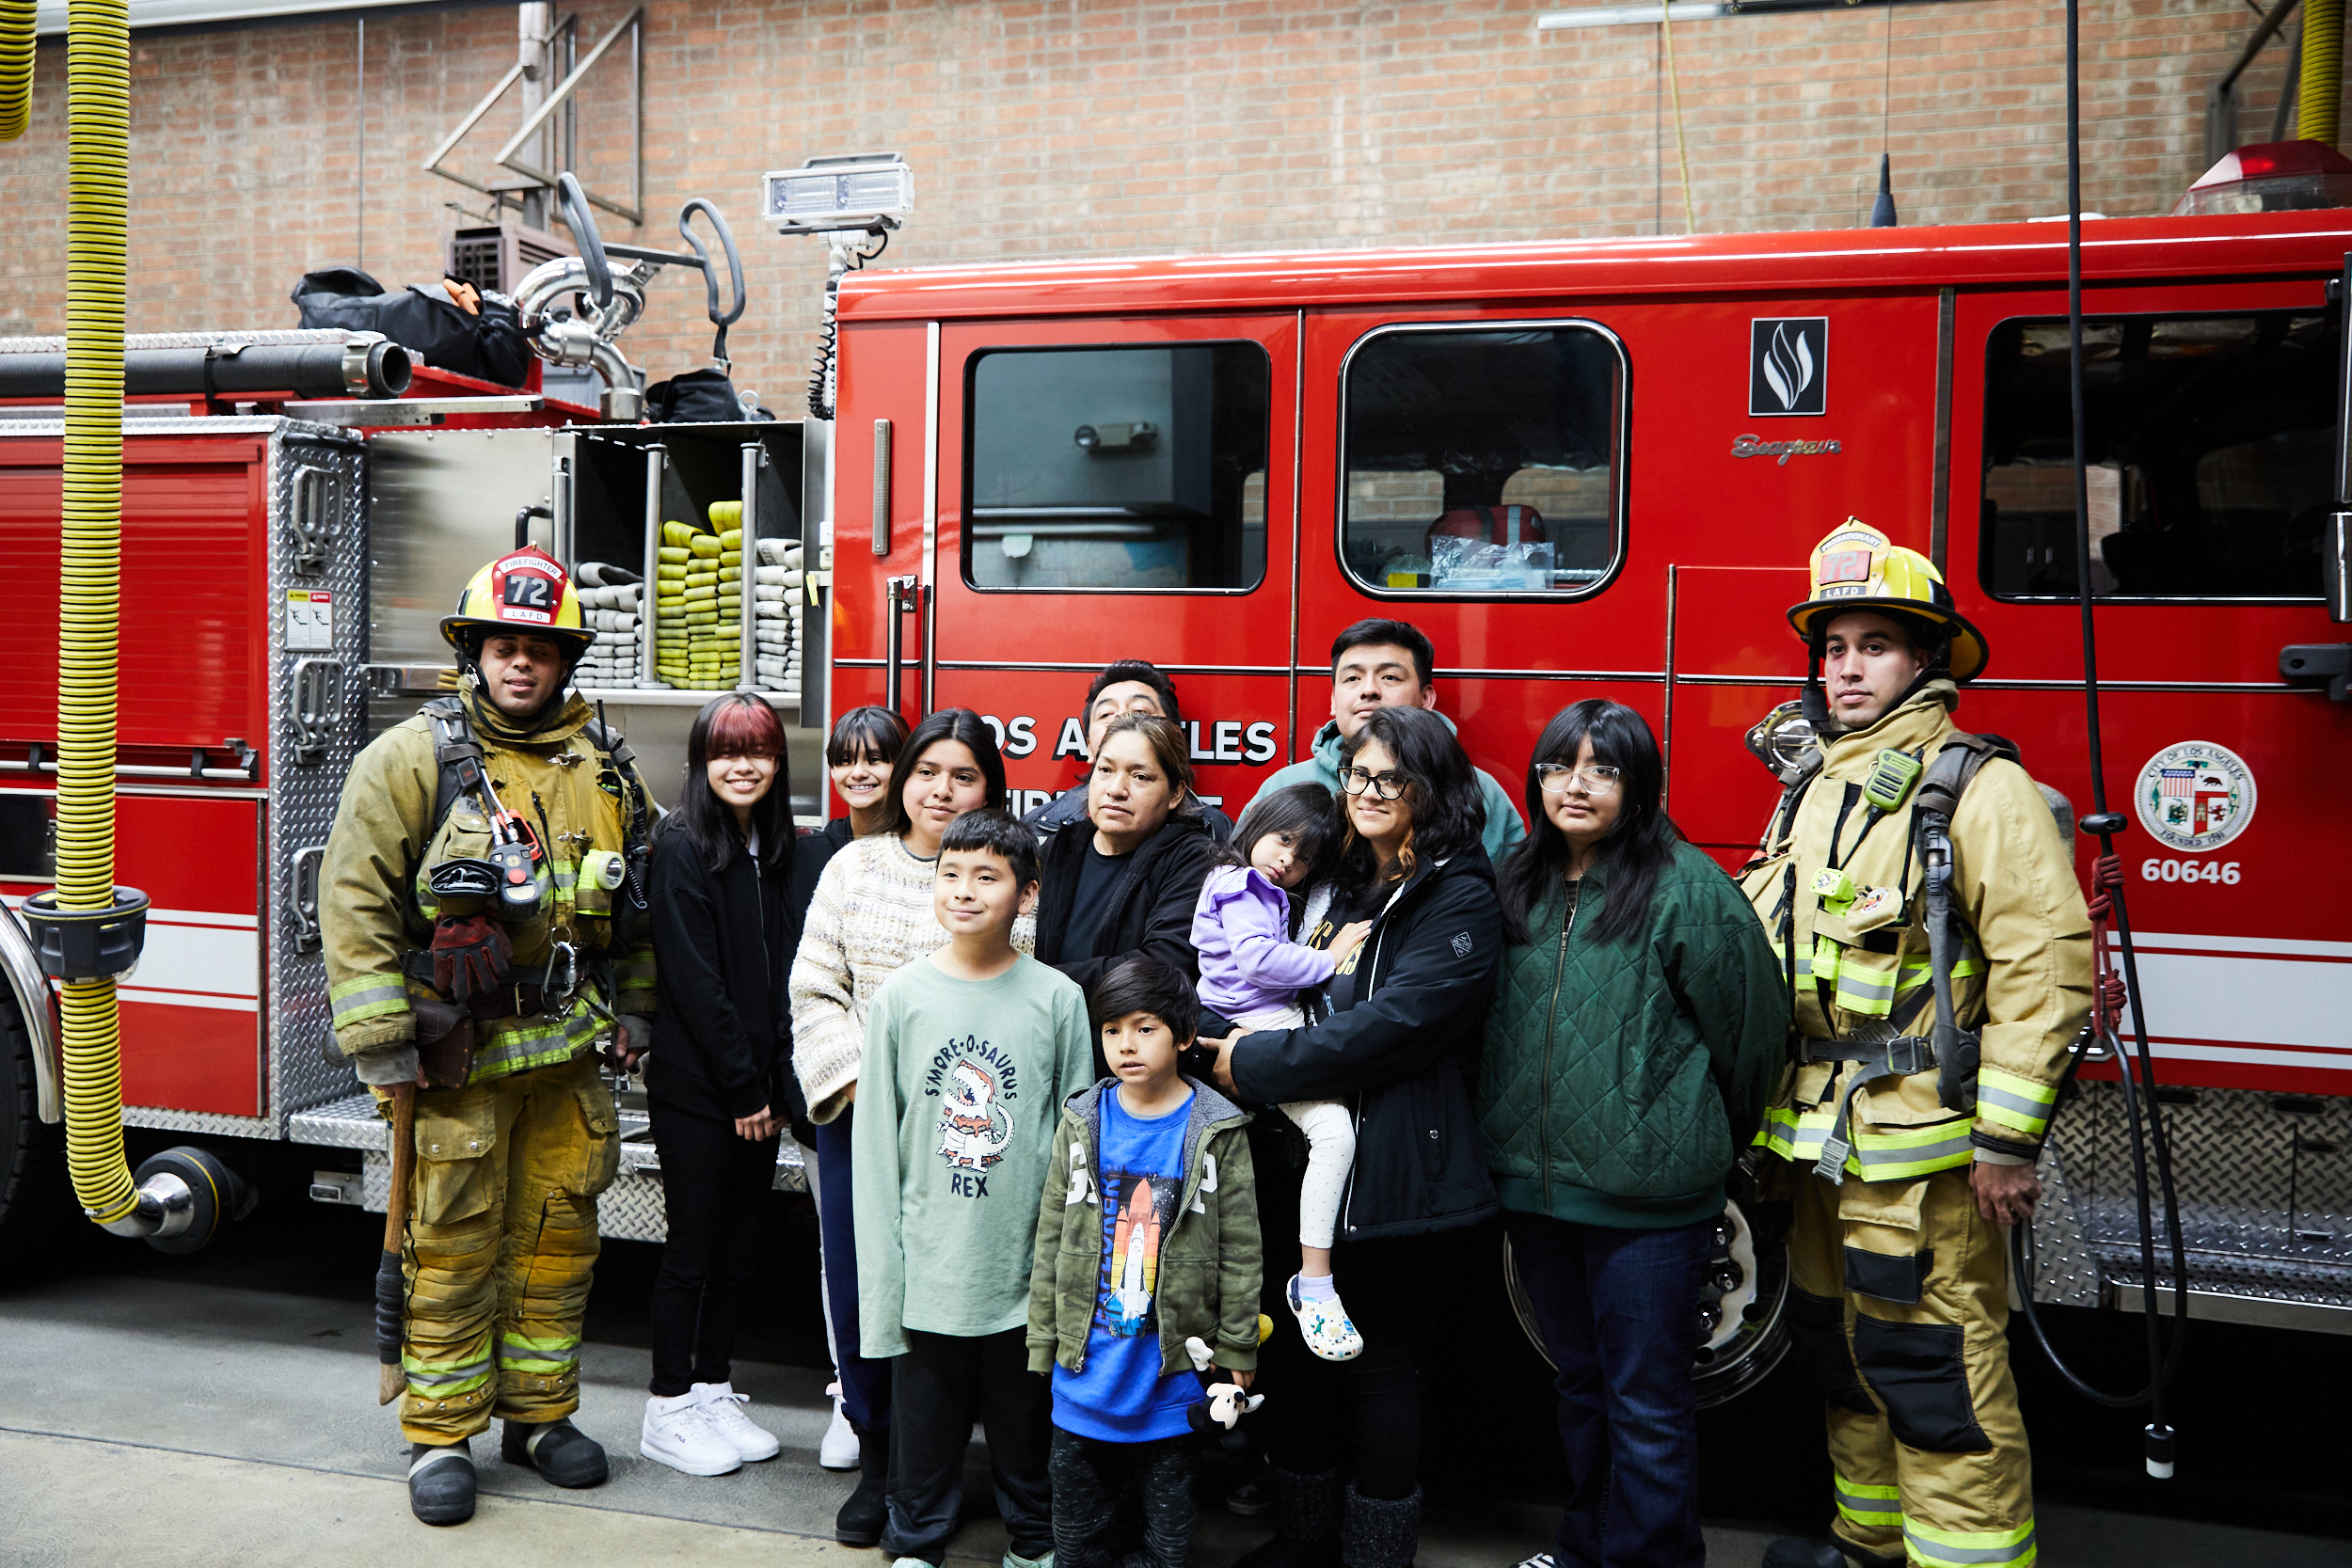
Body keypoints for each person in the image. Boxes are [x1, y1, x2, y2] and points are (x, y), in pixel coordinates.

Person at [1741, 521, 2090, 1568]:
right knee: (1837, 1350)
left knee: (1934, 1366)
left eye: (1875, 646)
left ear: (1927, 659)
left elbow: (2044, 967)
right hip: (1821, 1143)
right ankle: (1869, 1543)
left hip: (1923, 1149)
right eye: (1833, 647)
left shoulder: (1978, 787)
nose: (1847, 667)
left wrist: (2008, 1141)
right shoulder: (1817, 784)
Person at [320, 545, 656, 1527]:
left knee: (557, 1241)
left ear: (566, 661)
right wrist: (384, 1040)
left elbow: (637, 905)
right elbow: (354, 900)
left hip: (568, 1057)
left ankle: (539, 1416)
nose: (520, 663)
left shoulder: (607, 767)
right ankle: (440, 1433)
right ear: (473, 652)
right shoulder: (410, 758)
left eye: (539, 649)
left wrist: (638, 1008)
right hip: (454, 1061)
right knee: (452, 1245)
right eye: (502, 646)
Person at [1478, 699, 1788, 1568]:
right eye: (1559, 765)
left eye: (1604, 769)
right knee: (1581, 1388)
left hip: (1652, 1204)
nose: (1576, 785)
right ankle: (1586, 1550)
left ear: (1641, 784)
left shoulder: (1690, 888)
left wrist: (1692, 1137)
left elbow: (1754, 1039)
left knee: (1646, 1403)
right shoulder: (1513, 881)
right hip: (1537, 1194)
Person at [1204, 705, 1502, 1568]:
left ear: (1433, 790)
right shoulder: (1333, 876)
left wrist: (1254, 1061)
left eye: (1390, 778)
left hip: (1396, 1166)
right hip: (1295, 1154)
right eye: (1358, 775)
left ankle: (1376, 1553)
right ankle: (1303, 1538)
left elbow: (1394, 1027)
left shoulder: (1456, 894)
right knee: (1297, 1361)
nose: (1368, 791)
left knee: (1380, 1366)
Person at [792, 705, 1024, 1545]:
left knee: (958, 1291)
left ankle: (944, 1467)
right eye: (927, 771)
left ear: (990, 787)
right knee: (866, 1289)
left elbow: (1017, 991)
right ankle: (878, 1460)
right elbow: (816, 987)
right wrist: (863, 1084)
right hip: (860, 1120)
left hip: (967, 1131)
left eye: (964, 775)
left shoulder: (1010, 874)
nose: (941, 790)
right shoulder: (854, 866)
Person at [851, 810, 1093, 1568]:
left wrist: (1062, 1266)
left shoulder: (1058, 998)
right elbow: (874, 1148)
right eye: (950, 873)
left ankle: (1035, 1539)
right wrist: (884, 1280)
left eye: (987, 876)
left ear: (1027, 894)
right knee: (923, 1432)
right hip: (929, 1270)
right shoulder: (901, 997)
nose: (963, 889)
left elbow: (1078, 1141)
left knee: (1027, 1434)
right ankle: (917, 1539)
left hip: (1021, 1274)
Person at [1027, 954, 1265, 1568]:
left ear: (1185, 1035)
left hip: (1172, 1373)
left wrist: (1238, 1347)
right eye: (1112, 1030)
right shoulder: (1082, 1118)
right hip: (1086, 1366)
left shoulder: (1216, 1129)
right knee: (1076, 1534)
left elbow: (1242, 1248)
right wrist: (1043, 1338)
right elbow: (1051, 1233)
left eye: (1145, 1027)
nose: (1126, 1045)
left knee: (1166, 1539)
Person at [639, 694, 803, 1477]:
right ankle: (667, 1405)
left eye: (759, 752)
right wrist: (744, 1089)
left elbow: (779, 975)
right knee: (693, 1249)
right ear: (701, 762)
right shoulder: (681, 845)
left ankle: (711, 1386)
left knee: (738, 1251)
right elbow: (698, 984)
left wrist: (771, 1082)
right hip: (700, 1088)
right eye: (726, 752)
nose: (744, 766)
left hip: (753, 1087)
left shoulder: (770, 845)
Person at [1190, 784, 1370, 1361]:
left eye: (1305, 857)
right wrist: (1330, 957)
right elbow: (1259, 960)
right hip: (1262, 1024)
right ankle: (1313, 1283)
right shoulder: (1242, 884)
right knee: (1335, 1134)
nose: (1289, 859)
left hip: (1257, 1020)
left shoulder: (1245, 884)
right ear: (1258, 823)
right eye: (1284, 839)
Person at [792, 703, 912, 1473]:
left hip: (924, 1111)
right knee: (845, 1257)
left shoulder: (950, 859)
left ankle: (915, 1429)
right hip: (836, 1090)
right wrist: (832, 1075)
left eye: (878, 757)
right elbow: (805, 976)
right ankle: (853, 1401)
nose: (859, 771)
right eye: (846, 757)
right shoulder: (819, 854)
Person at [1245, 619, 1526, 864]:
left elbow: (1509, 898)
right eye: (1352, 678)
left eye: (1390, 677)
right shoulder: (1284, 786)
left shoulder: (1480, 792)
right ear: (1333, 700)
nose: (1369, 690)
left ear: (1425, 698)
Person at [1034, 712, 1219, 1007]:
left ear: (1175, 794)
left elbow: (1161, 967)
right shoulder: (1061, 847)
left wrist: (1037, 982)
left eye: (1140, 777)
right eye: (1105, 770)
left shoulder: (1192, 859)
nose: (1116, 789)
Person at [1024, 659, 1235, 843]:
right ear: (1089, 748)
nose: (1123, 720)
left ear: (1174, 740)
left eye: (1140, 711)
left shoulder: (1217, 832)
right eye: (1107, 714)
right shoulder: (1040, 828)